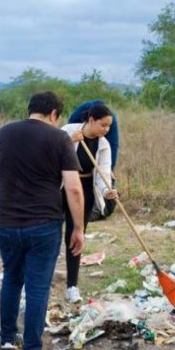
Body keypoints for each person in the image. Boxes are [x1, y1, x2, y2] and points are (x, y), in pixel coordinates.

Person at [0, 91, 85, 350]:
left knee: (11, 277)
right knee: (37, 288)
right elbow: (73, 187)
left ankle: (8, 338)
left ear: (31, 109)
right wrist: (78, 228)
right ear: (54, 114)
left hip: (6, 220)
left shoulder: (5, 133)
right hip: (43, 224)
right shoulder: (58, 138)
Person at [61, 104, 118, 304]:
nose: (106, 130)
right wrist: (68, 142)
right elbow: (48, 155)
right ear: (91, 120)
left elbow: (103, 172)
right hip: (60, 186)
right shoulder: (68, 131)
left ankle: (72, 286)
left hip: (84, 188)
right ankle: (35, 279)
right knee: (49, 232)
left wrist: (106, 191)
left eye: (109, 126)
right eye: (103, 125)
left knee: (76, 235)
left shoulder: (103, 144)